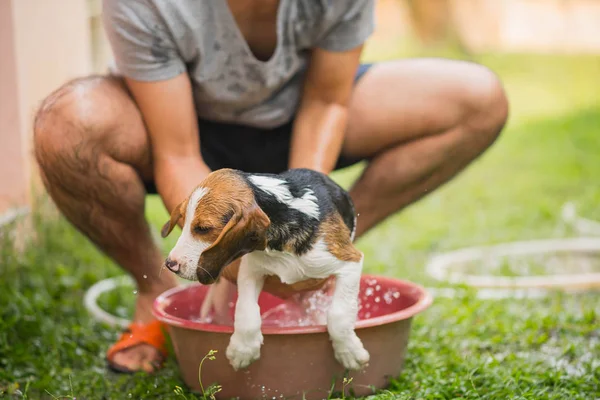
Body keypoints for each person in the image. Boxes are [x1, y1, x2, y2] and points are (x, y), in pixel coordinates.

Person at [32, 0, 508, 374]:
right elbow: (176, 151)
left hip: (301, 114)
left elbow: (325, 101)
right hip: (185, 126)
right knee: (67, 125)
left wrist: (306, 240)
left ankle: (328, 249)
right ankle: (159, 298)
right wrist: (222, 263)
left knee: (477, 99)